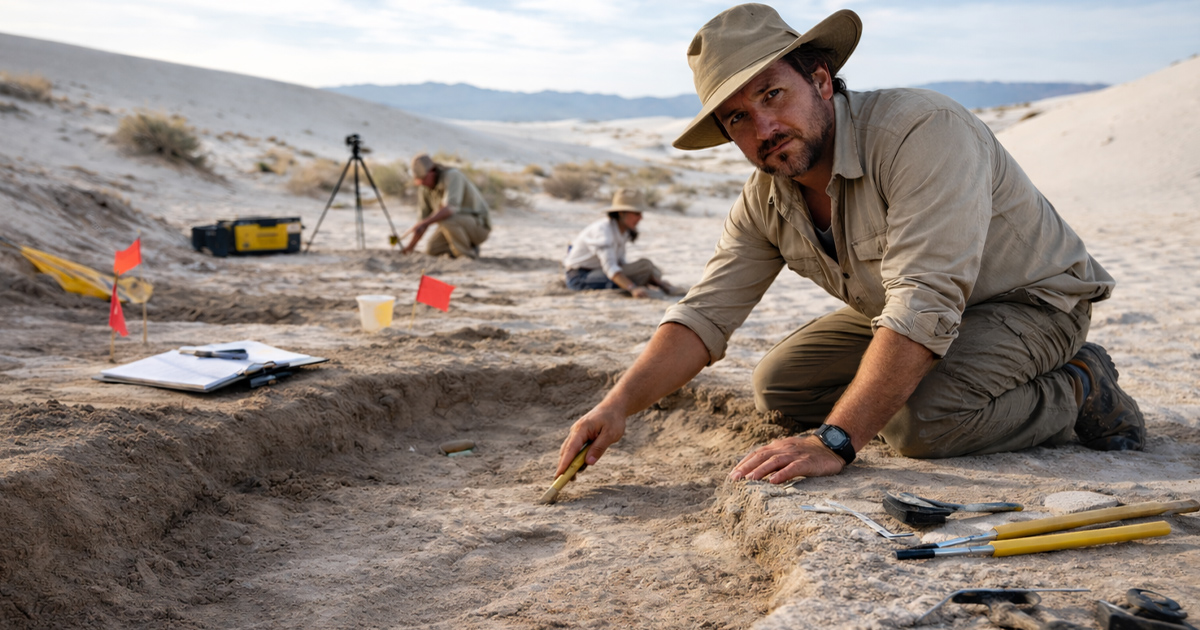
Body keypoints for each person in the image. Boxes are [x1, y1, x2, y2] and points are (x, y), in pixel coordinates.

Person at [555, 4, 1145, 485]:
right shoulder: (765, 197)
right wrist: (615, 407)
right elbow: (704, 314)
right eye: (736, 119)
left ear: (818, 80)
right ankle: (917, 388)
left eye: (771, 95)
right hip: (916, 313)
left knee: (923, 426)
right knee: (781, 384)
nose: (762, 130)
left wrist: (837, 438)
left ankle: (1079, 386)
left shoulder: (920, 130)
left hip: (1032, 305)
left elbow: (926, 297)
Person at [562, 188, 678, 298]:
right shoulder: (603, 232)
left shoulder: (622, 231)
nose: (641, 218)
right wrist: (632, 288)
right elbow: (611, 268)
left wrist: (658, 282)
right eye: (637, 214)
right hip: (580, 278)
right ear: (622, 213)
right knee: (644, 267)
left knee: (651, 269)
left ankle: (655, 282)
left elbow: (620, 262)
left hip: (597, 271)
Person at [402, 153, 491, 258]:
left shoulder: (452, 175)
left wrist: (426, 222)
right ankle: (465, 246)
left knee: (446, 217)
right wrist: (409, 248)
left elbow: (449, 209)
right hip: (455, 225)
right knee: (432, 249)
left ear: (432, 171)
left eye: (423, 178)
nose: (421, 182)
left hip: (478, 227)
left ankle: (466, 255)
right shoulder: (424, 188)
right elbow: (421, 224)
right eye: (419, 180)